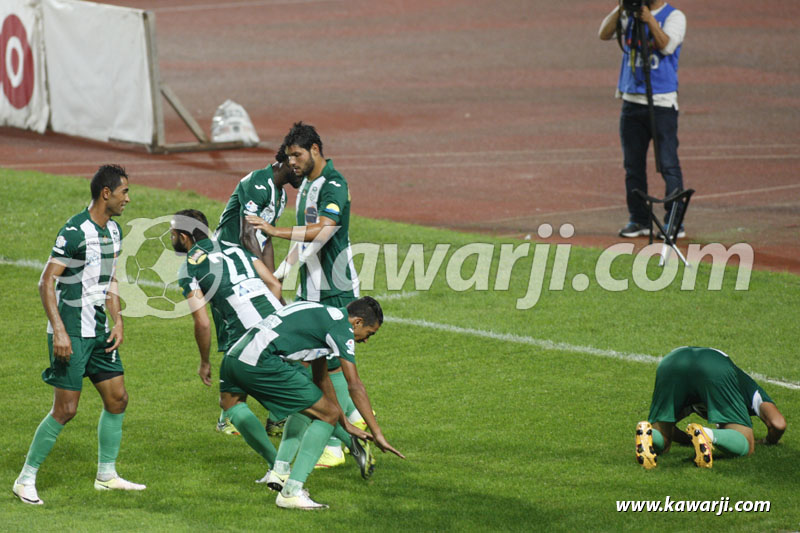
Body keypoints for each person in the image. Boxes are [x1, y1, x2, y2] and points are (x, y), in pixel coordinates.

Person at [13, 165, 144, 505]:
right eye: (124, 192)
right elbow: (46, 281)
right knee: (66, 409)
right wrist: (59, 330)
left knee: (118, 399)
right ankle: (25, 479)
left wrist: (118, 320)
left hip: (100, 331)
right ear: (106, 193)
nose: (128, 199)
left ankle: (107, 476)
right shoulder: (74, 232)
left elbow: (109, 279)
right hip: (71, 331)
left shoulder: (113, 230)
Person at [246, 121, 365, 469]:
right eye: (289, 157)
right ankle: (353, 420)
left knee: (326, 365)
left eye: (297, 155)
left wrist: (274, 231)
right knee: (315, 363)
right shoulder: (309, 186)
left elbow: (323, 231)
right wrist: (280, 274)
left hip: (334, 289)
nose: (292, 163)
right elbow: (306, 240)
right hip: (311, 289)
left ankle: (335, 444)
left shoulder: (334, 185)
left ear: (315, 149)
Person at [219, 297, 404, 509]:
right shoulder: (341, 328)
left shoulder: (321, 315)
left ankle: (279, 471)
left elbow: (321, 379)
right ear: (357, 322)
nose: (366, 340)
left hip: (233, 357)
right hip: (261, 363)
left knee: (233, 405)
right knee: (325, 413)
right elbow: (355, 385)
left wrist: (345, 423)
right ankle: (291, 492)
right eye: (369, 333)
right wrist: (377, 433)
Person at [212, 150, 302, 436]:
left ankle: (273, 414)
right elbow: (246, 233)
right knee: (241, 341)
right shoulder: (257, 183)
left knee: (260, 339)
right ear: (287, 159)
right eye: (298, 164)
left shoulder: (280, 194)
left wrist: (273, 281)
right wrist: (263, 283)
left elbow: (265, 240)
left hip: (246, 268)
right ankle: (230, 415)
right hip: (228, 269)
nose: (302, 172)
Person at [170, 209, 284, 433]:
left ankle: (278, 431)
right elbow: (275, 284)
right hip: (280, 320)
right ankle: (271, 420)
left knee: (250, 383)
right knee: (279, 374)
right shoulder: (236, 248)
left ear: (184, 237)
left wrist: (204, 362)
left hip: (245, 330)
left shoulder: (189, 267)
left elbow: (202, 323)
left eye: (172, 233)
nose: (171, 237)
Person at [599, 0, 687, 238]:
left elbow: (666, 46)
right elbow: (604, 34)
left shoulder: (674, 16)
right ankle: (639, 219)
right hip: (631, 101)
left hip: (662, 103)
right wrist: (621, 8)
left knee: (668, 164)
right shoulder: (629, 12)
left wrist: (649, 20)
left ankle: (674, 222)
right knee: (633, 166)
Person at [635, 346, 787, 470]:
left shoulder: (695, 396)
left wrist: (689, 438)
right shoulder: (750, 388)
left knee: (663, 438)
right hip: (715, 366)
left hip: (671, 362)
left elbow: (670, 426)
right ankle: (708, 435)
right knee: (747, 443)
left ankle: (649, 434)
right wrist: (768, 441)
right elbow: (778, 424)